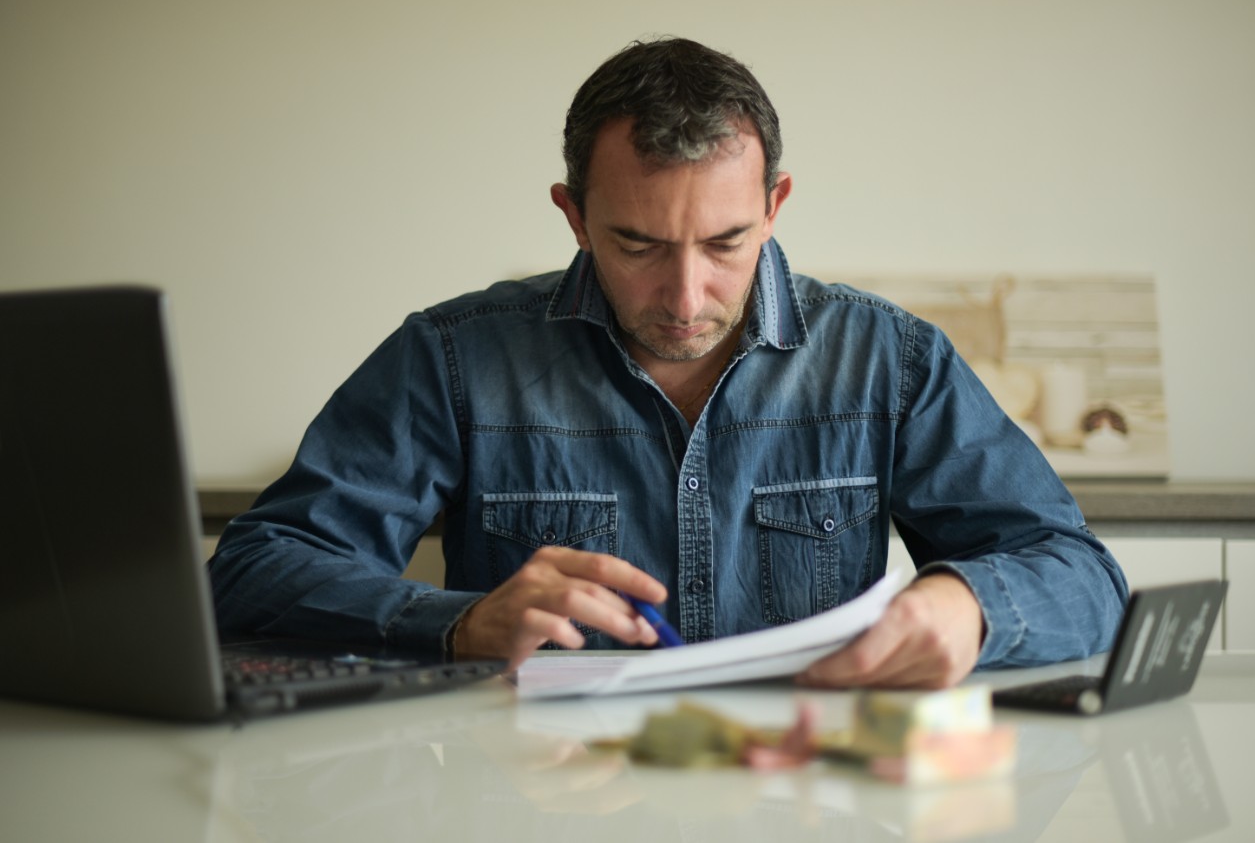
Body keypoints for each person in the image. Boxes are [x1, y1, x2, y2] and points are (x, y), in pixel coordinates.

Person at [209, 37, 1128, 689]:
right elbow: (253, 568)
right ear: (575, 216)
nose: (686, 297)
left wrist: (969, 607)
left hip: (807, 796)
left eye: (726, 243)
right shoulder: (453, 358)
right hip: (531, 804)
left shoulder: (890, 360)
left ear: (775, 205)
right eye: (638, 244)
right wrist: (456, 624)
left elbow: (1083, 576)